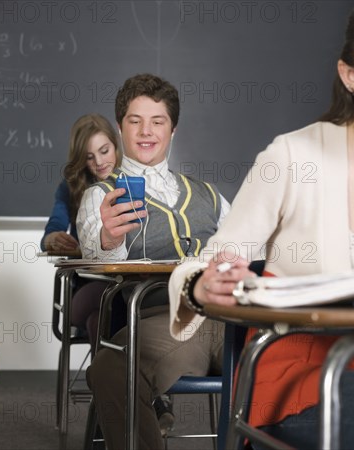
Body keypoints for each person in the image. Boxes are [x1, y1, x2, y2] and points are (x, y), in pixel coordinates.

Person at [168, 1, 354, 448]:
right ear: (350, 75)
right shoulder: (292, 156)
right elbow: (207, 263)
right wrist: (202, 286)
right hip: (302, 379)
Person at [77, 73, 231, 449]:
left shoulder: (210, 195)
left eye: (157, 121)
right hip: (168, 324)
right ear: (120, 127)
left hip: (232, 317)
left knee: (293, 349)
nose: (147, 131)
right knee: (112, 369)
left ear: (173, 129)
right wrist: (110, 237)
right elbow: (95, 252)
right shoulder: (100, 196)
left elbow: (251, 250)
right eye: (135, 121)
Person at [41, 113, 122, 352]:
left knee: (97, 320)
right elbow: (52, 229)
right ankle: (120, 385)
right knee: (99, 309)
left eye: (104, 151)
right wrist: (52, 238)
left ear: (116, 144)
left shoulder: (135, 182)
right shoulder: (72, 186)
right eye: (89, 157)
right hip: (90, 283)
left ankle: (107, 385)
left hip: (131, 283)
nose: (99, 162)